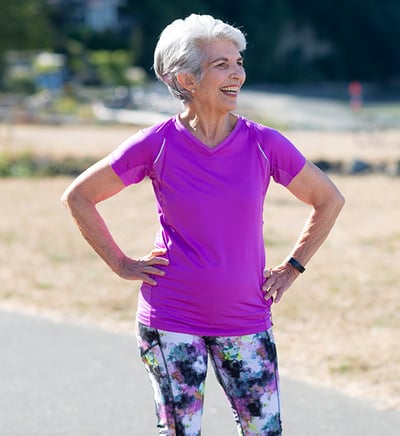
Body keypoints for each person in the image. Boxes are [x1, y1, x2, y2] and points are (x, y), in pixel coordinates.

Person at [61, 14, 345, 436]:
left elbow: (328, 200)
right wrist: (121, 264)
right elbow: (79, 196)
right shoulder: (155, 144)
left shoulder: (264, 144)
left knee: (264, 430)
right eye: (222, 65)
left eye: (238, 62)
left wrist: (292, 267)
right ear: (186, 79)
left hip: (246, 317)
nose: (238, 74)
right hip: (170, 317)